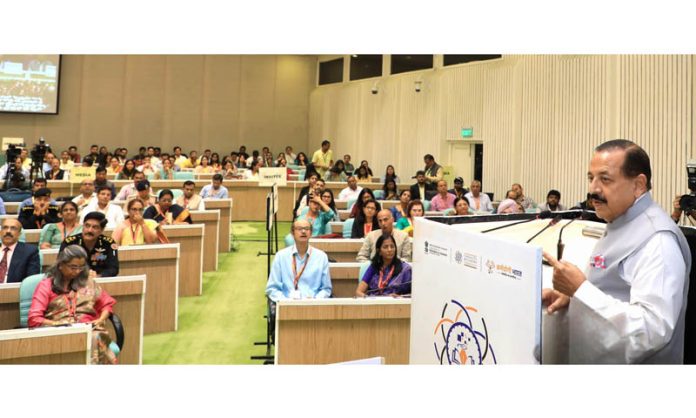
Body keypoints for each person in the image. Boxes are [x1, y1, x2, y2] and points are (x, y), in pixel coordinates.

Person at [542, 139, 691, 364]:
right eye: (590, 178)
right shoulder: (619, 219)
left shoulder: (658, 241)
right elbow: (613, 290)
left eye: (605, 179)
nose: (593, 189)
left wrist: (581, 290)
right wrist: (573, 298)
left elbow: (651, 331)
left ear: (638, 185)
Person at [27, 245, 118, 364]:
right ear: (60, 265)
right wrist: (58, 324)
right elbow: (34, 318)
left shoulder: (88, 283)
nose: (77, 271)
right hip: (58, 331)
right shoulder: (46, 286)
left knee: (96, 338)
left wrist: (101, 319)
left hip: (89, 330)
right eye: (73, 267)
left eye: (81, 267)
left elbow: (106, 304)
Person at [265, 219, 332, 301]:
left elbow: (326, 289)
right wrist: (287, 301)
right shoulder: (281, 256)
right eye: (299, 229)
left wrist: (315, 300)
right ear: (292, 233)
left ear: (311, 233)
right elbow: (272, 288)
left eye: (307, 229)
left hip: (313, 306)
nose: (303, 231)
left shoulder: (321, 257)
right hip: (287, 306)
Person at [61, 212, 119, 278]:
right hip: (74, 279)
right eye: (87, 226)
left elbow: (113, 268)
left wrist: (98, 276)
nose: (89, 230)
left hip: (99, 280)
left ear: (101, 230)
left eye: (95, 227)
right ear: (83, 226)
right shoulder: (69, 242)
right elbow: (62, 265)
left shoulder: (109, 243)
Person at [0, 218, 40, 284]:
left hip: (14, 292)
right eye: (5, 227)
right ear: (0, 232)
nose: (8, 231)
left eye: (13, 228)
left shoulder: (30, 252)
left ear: (19, 234)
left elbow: (30, 282)